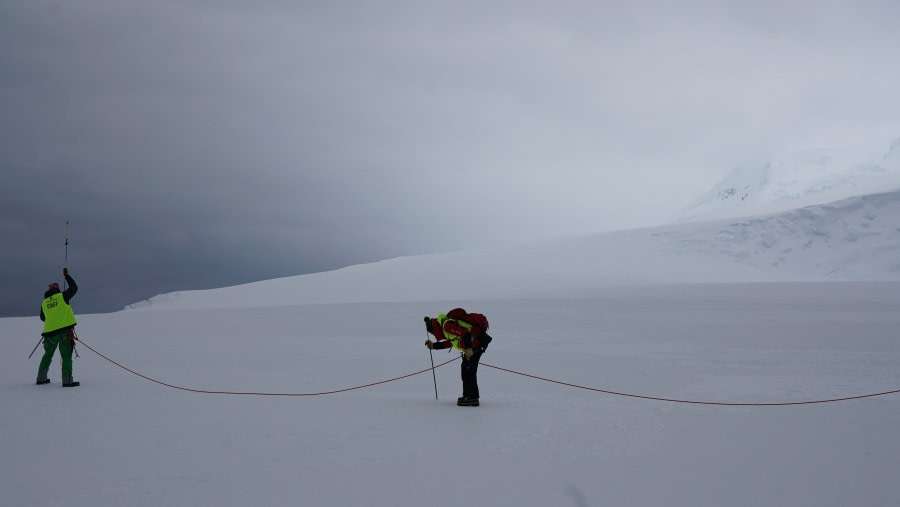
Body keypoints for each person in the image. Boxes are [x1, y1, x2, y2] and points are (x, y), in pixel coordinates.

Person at [424, 311, 492, 406]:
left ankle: (472, 398)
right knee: (465, 370)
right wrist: (434, 345)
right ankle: (467, 396)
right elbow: (451, 342)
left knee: (469, 370)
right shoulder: (445, 325)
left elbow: (465, 333)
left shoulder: (446, 326)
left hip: (477, 344)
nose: (434, 335)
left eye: (432, 333)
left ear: (434, 329)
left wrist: (468, 348)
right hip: (474, 345)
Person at [37, 267, 80, 387]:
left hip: (49, 335)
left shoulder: (44, 303)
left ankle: (41, 379)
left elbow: (43, 318)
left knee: (47, 355)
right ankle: (67, 381)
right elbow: (74, 288)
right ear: (58, 289)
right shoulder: (62, 296)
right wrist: (67, 276)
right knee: (66, 357)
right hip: (65, 333)